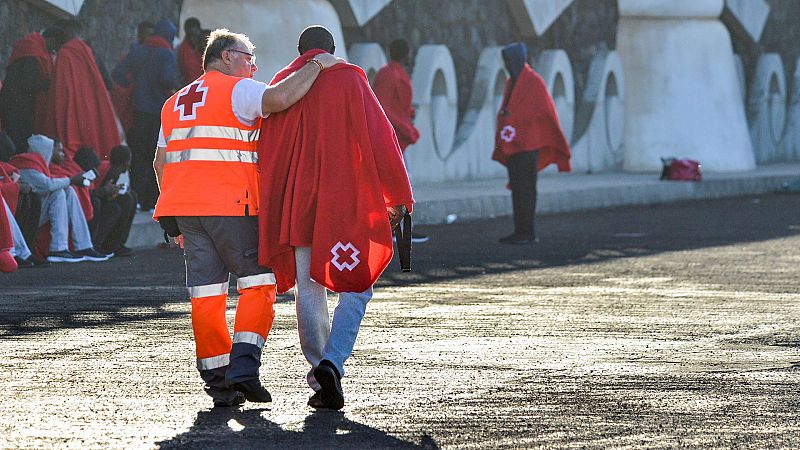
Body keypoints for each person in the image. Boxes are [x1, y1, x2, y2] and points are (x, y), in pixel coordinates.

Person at [153, 28, 343, 408]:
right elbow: (282, 97)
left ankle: (218, 380)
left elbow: (160, 162)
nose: (253, 65)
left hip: (187, 211)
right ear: (226, 57)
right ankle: (243, 369)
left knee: (206, 294)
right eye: (248, 56)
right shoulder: (237, 89)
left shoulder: (175, 102)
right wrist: (319, 65)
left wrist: (172, 211)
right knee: (259, 284)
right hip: (232, 205)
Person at [257, 26, 414, 411]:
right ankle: (332, 362)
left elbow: (268, 148)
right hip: (343, 205)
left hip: (298, 206)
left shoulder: (283, 82)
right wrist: (398, 196)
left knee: (309, 290)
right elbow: (382, 138)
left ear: (301, 52)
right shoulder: (350, 79)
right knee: (358, 286)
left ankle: (320, 376)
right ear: (331, 51)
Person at [493, 42, 571, 245]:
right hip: (515, 145)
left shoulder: (534, 82)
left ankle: (527, 232)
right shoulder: (512, 83)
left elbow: (543, 113)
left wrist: (514, 117)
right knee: (517, 188)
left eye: (509, 60)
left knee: (526, 188)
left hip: (529, 145)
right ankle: (520, 230)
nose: (507, 64)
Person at [113, 19, 179, 212]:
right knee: (155, 156)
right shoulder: (167, 53)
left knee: (137, 156)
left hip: (136, 111)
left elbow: (118, 74)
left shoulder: (138, 50)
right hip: (157, 113)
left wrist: (135, 84)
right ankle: (150, 202)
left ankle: (136, 198)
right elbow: (167, 80)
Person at [10, 134, 108, 262]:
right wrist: (71, 180)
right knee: (58, 192)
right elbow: (47, 184)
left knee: (68, 191)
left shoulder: (38, 164)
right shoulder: (26, 165)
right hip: (24, 217)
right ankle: (58, 248)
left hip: (35, 211)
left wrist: (70, 182)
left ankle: (83, 245)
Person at [372, 39, 429, 244]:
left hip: (395, 136)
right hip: (392, 138)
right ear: (407, 55)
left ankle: (401, 228)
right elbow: (384, 108)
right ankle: (398, 229)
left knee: (400, 182)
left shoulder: (390, 73)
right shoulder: (390, 75)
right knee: (398, 182)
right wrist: (407, 128)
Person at [41, 19, 120, 160]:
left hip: (72, 110)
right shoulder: (89, 52)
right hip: (91, 110)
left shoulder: (66, 53)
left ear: (67, 32)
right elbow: (107, 83)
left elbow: (60, 90)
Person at [0, 27, 65, 151]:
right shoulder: (31, 51)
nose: (54, 51)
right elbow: (27, 82)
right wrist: (48, 84)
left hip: (19, 105)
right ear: (51, 40)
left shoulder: (34, 48)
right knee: (17, 142)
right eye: (55, 47)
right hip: (16, 106)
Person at [83, 145, 136, 257]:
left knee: (130, 197)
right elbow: (88, 194)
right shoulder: (103, 170)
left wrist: (114, 191)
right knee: (115, 208)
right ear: (125, 162)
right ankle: (99, 243)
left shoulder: (114, 171)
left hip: (100, 201)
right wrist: (105, 191)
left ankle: (117, 243)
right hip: (92, 206)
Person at [178, 17, 204, 84]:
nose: (192, 38)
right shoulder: (181, 50)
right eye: (190, 35)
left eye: (195, 35)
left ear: (199, 31)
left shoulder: (206, 46)